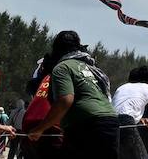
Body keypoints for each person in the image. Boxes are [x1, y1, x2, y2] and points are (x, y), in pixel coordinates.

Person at [27, 31, 119, 159]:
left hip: (86, 125)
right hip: (111, 121)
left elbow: (65, 101)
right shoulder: (90, 67)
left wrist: (40, 129)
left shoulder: (62, 67)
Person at [112, 66, 148, 159]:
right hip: (127, 123)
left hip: (110, 121)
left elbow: (123, 108)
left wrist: (139, 119)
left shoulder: (122, 87)